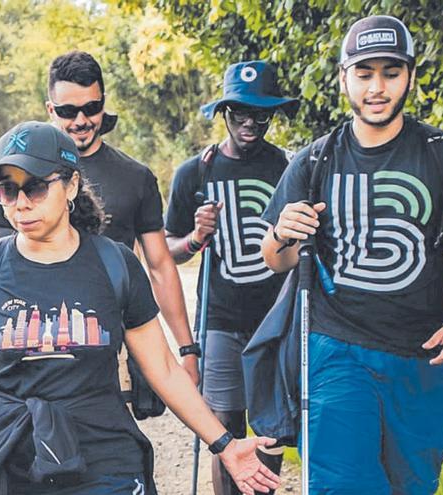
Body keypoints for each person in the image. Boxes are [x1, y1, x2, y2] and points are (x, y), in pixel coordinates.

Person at [0, 121, 281, 495]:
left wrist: (223, 443)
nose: (21, 203)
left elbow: (161, 367)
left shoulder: (113, 262)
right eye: (7, 190)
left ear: (72, 186)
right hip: (13, 451)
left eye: (37, 187)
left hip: (103, 452)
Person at [260, 15, 443, 494]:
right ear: (344, 76)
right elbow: (274, 258)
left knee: (411, 485)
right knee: (342, 483)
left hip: (421, 355)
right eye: (364, 73)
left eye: (391, 72)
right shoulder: (313, 160)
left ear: (410, 76)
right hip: (335, 347)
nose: (377, 87)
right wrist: (284, 234)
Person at [0, 51, 199, 391]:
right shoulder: (20, 173)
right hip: (35, 346)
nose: (82, 120)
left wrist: (187, 350)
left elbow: (159, 266)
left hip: (108, 346)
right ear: (50, 109)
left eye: (92, 107)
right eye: (69, 111)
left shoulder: (136, 177)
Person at [165, 60, 298, 494]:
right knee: (223, 426)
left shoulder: (289, 168)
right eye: (239, 112)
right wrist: (197, 237)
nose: (249, 123)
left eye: (261, 114)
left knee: (273, 425)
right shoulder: (195, 173)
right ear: (224, 113)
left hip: (276, 318)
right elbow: (164, 252)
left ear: (273, 115)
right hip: (221, 318)